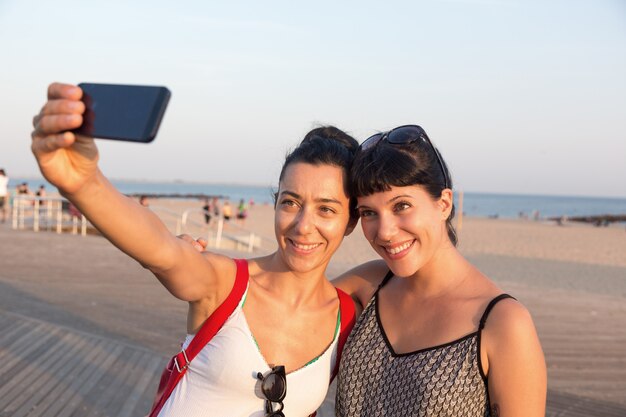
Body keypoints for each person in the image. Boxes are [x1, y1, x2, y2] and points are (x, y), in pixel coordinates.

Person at [30, 82, 359, 417]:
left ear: (351, 222)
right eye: (290, 202)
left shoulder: (347, 318)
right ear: (275, 204)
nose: (303, 225)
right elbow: (162, 251)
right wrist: (84, 184)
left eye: (326, 209)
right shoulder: (225, 283)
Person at [334, 125, 546, 416]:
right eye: (369, 212)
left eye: (402, 206)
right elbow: (286, 302)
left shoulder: (502, 323)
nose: (384, 232)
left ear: (444, 203)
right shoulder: (368, 285)